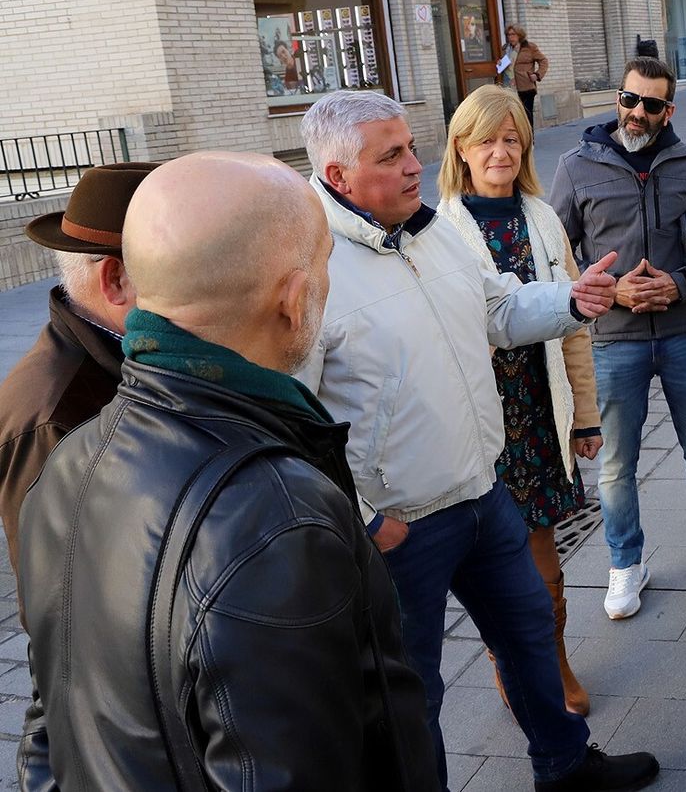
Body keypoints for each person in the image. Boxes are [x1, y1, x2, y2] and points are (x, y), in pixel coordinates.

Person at [17, 153, 439, 791]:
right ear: (294, 301)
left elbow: (51, 714)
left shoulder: (71, 459)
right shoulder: (279, 520)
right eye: (323, 262)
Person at [296, 91, 658, 792]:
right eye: (390, 155)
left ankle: (565, 764)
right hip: (401, 528)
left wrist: (571, 300)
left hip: (482, 490)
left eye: (409, 145)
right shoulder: (307, 264)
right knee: (411, 692)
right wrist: (362, 514)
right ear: (338, 177)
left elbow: (495, 307)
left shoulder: (430, 230)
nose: (413, 166)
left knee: (528, 634)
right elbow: (293, 412)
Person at [549, 57, 686, 621]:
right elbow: (555, 257)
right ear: (618, 100)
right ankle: (625, 563)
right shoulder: (575, 167)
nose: (637, 112)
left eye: (652, 104)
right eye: (629, 99)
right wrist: (611, 291)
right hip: (615, 341)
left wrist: (680, 283)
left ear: (670, 110)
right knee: (616, 463)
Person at [437, 85, 599, 716]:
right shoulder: (440, 230)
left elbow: (574, 324)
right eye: (486, 140)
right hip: (482, 423)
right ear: (461, 148)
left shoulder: (542, 217)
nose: (500, 151)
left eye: (511, 139)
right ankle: (512, 662)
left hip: (541, 406)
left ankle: (554, 664)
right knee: (496, 564)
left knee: (545, 561)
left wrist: (584, 414)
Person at [0, 162, 153, 581]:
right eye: (178, 267)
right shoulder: (56, 416)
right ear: (116, 279)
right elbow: (56, 597)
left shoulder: (125, 358)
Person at [505, 23, 550, 128]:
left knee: (526, 115)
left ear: (520, 35)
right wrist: (499, 64)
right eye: (508, 35)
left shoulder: (530, 47)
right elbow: (502, 66)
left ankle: (530, 141)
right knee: (513, 116)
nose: (510, 37)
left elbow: (543, 61)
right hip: (509, 88)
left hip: (526, 87)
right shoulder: (506, 49)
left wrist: (537, 74)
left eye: (513, 34)